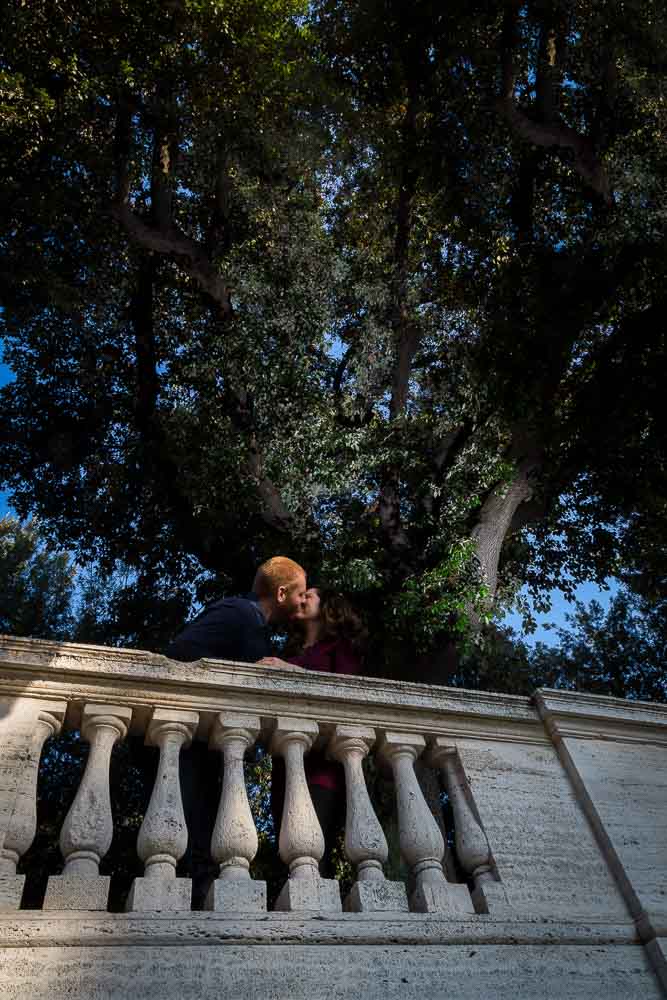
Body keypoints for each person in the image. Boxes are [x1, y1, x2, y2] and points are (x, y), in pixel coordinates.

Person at [165, 556, 308, 907]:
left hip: (210, 747)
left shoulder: (252, 624)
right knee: (193, 824)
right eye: (301, 593)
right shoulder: (240, 614)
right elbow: (180, 655)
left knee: (206, 825)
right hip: (188, 742)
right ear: (280, 593)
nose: (304, 600)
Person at [257, 587, 367, 874]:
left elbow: (346, 693)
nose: (301, 598)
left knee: (314, 857)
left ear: (328, 605)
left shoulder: (339, 647)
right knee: (289, 857)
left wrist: (289, 671)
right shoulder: (289, 652)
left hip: (322, 771)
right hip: (286, 768)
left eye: (309, 595)